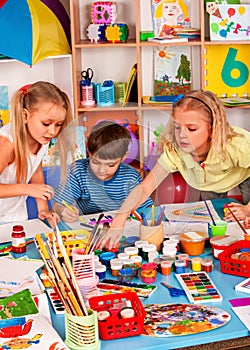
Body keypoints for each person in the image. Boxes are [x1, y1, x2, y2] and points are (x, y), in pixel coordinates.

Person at [97, 90, 250, 249]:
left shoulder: (237, 143)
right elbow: (145, 188)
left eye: (191, 129)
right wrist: (120, 218)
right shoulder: (175, 150)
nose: (182, 135)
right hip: (207, 183)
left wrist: (247, 209)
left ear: (212, 129)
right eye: (177, 127)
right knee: (213, 227)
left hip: (244, 176)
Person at [0, 81, 75, 223]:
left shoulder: (41, 138)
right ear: (25, 116)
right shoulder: (6, 144)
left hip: (14, 214)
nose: (52, 131)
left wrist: (43, 210)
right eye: (46, 123)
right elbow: (30, 187)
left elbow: (35, 172)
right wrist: (27, 189)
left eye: (58, 124)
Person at [53, 120, 153, 221]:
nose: (101, 170)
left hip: (120, 226)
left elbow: (146, 209)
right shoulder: (77, 171)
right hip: (86, 228)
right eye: (95, 162)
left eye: (110, 165)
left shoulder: (131, 177)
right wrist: (62, 210)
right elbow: (57, 205)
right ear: (89, 151)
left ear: (124, 157)